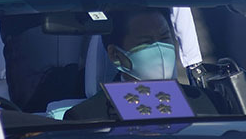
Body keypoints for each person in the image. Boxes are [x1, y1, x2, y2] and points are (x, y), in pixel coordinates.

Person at [64, 9, 216, 121]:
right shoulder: (85, 117)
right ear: (115, 54)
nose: (160, 49)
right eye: (146, 42)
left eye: (164, 38)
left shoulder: (207, 102)